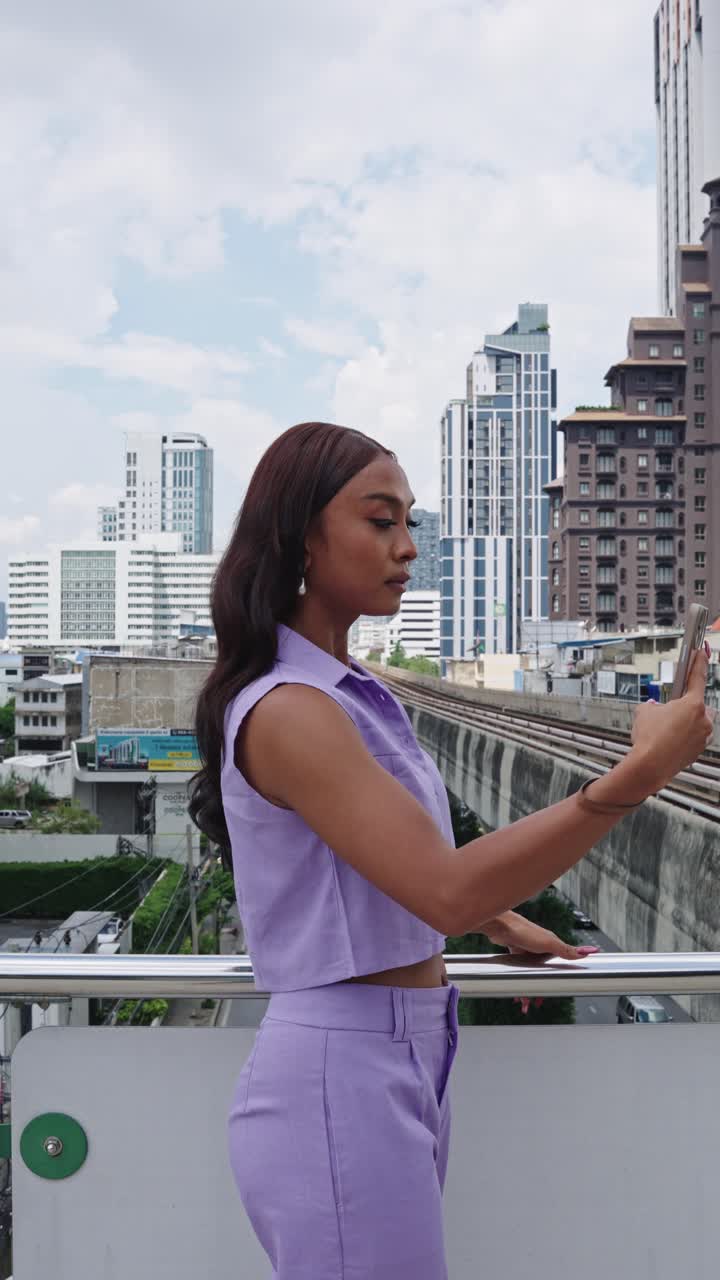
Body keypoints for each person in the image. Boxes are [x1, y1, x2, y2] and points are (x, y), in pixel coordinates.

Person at [190, 421, 713, 1280]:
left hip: (401, 1051)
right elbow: (441, 890)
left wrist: (502, 919)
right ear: (300, 539)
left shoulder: (347, 693)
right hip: (340, 1065)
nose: (406, 549)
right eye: (379, 521)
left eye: (412, 525)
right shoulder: (291, 709)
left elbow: (374, 862)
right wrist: (642, 770)